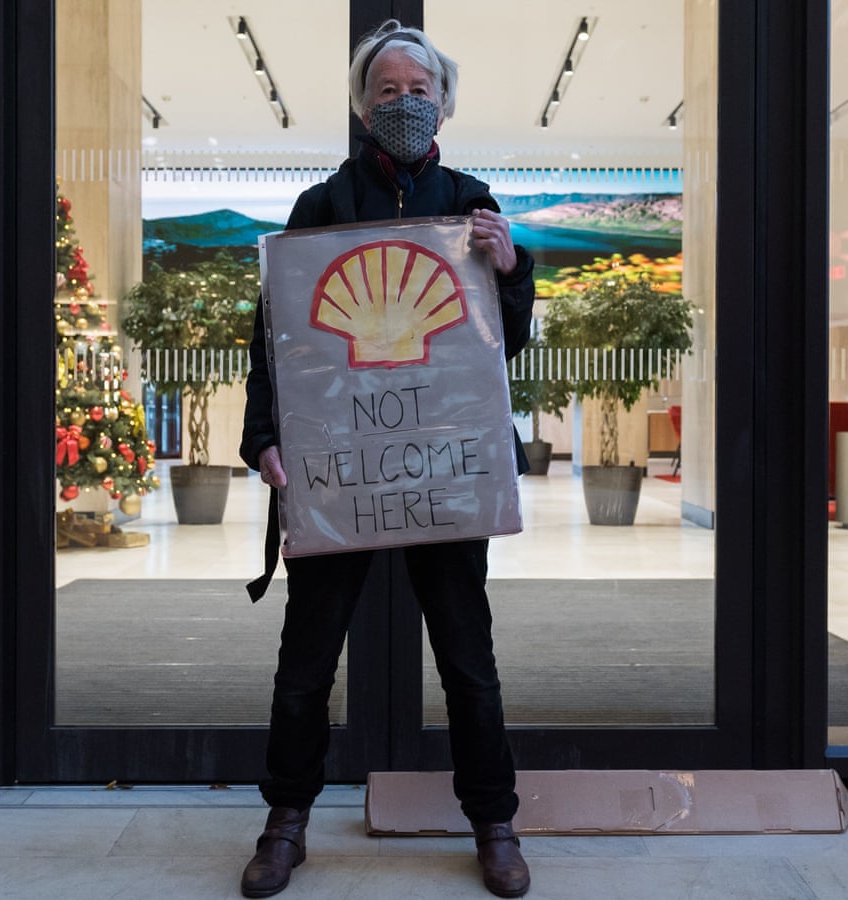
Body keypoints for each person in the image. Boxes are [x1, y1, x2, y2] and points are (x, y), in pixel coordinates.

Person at [238, 19, 536, 899]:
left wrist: (510, 267)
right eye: (387, 91)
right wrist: (264, 437)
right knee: (306, 660)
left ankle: (495, 823)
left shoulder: (473, 202)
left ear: (443, 100)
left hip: (442, 463)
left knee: (468, 659)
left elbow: (499, 346)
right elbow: (277, 338)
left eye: (419, 90)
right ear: (363, 107)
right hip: (342, 472)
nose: (404, 103)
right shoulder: (320, 208)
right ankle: (285, 822)